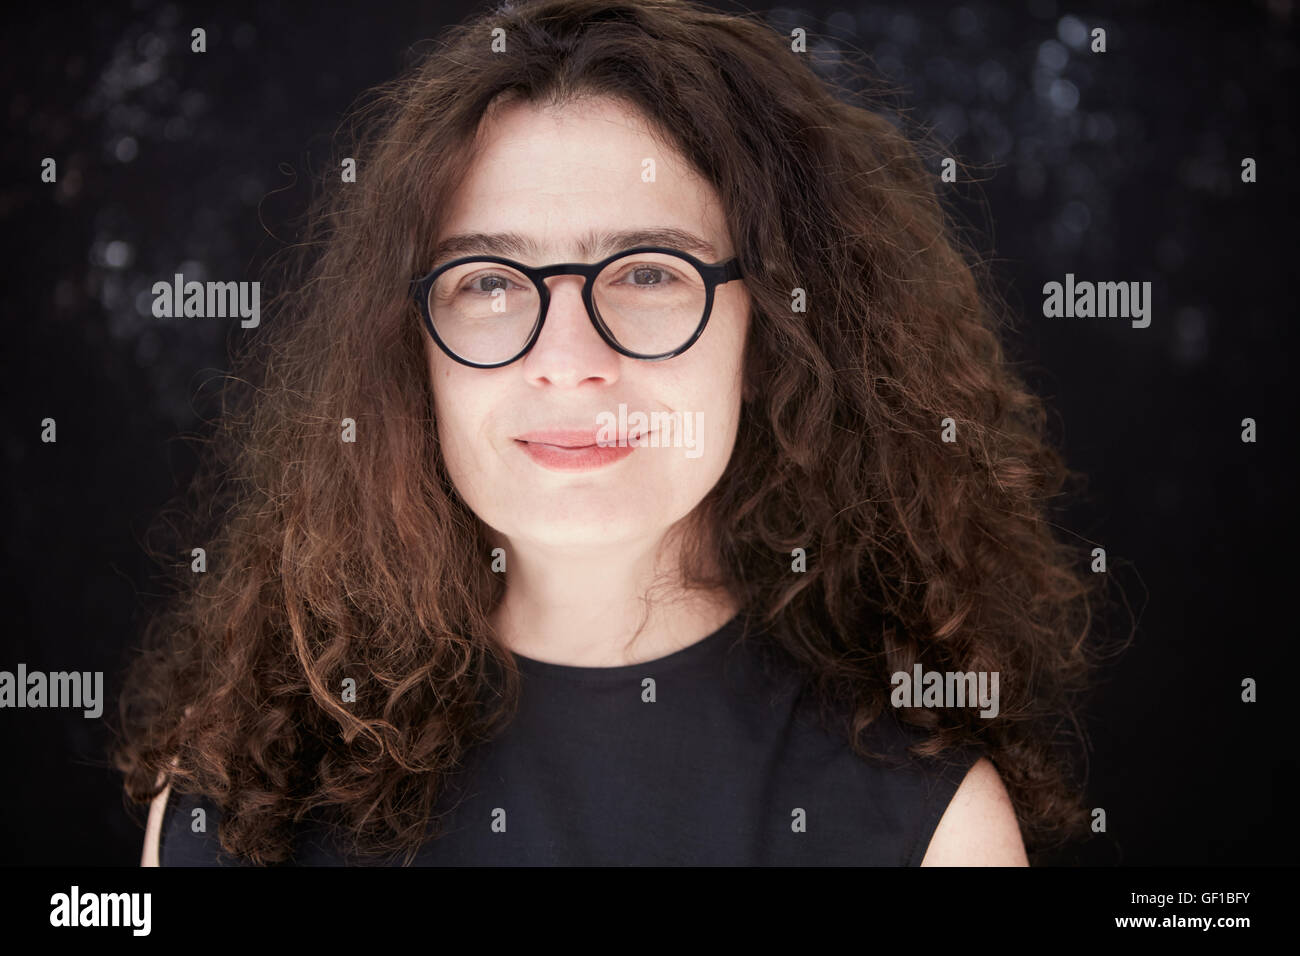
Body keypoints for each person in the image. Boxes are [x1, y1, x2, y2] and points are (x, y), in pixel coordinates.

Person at [117, 0, 1099, 867]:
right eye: (490, 283)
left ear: (776, 329)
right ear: (406, 354)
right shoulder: (241, 801)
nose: (570, 357)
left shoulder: (930, 822)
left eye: (647, 272)